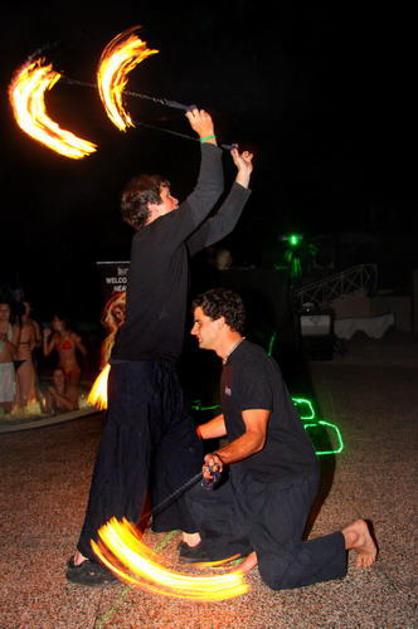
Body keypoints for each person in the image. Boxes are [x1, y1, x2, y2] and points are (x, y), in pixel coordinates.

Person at [66, 108, 254, 586]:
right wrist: (207, 137)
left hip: (163, 371)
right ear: (150, 206)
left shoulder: (172, 244)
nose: (177, 199)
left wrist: (244, 177)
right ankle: (91, 556)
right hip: (135, 371)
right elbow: (205, 195)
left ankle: (195, 535)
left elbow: (219, 224)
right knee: (125, 461)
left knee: (182, 451)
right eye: (170, 194)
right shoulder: (152, 238)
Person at [181, 287, 377, 590]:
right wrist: (192, 434)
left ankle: (351, 536)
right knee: (198, 490)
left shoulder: (251, 365)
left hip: (286, 477)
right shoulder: (231, 362)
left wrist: (220, 456)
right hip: (254, 473)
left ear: (220, 321)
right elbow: (234, 418)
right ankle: (261, 542)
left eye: (199, 322)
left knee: (279, 574)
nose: (193, 330)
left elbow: (255, 436)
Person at [43, 314, 87, 406]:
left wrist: (79, 342)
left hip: (73, 368)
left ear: (62, 322)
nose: (53, 323)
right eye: (53, 321)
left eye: (55, 321)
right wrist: (45, 337)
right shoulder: (55, 337)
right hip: (62, 368)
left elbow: (84, 351)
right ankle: (62, 408)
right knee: (61, 390)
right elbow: (46, 353)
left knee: (72, 389)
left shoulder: (72, 335)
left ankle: (75, 406)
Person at [14, 301, 41, 409]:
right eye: (23, 306)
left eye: (27, 306)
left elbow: (37, 341)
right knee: (16, 382)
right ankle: (17, 406)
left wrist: (31, 347)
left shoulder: (32, 324)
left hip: (25, 354)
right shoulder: (14, 321)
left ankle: (28, 406)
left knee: (28, 382)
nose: (25, 309)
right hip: (14, 354)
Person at [0, 303, 18, 414]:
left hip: (7, 366)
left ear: (10, 312)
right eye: (0, 310)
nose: (3, 313)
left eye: (6, 310)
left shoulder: (14, 328)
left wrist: (5, 339)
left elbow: (15, 351)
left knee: (8, 399)